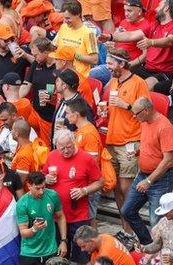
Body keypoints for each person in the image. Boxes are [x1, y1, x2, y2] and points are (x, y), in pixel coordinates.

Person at [104, 50, 151, 234]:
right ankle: (126, 230)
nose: (107, 67)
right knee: (115, 186)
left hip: (130, 140)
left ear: (121, 64)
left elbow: (147, 112)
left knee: (126, 187)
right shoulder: (114, 81)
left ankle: (134, 228)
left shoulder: (139, 83)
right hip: (112, 139)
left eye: (110, 63)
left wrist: (127, 106)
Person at [43, 129, 103, 265]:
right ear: (56, 145)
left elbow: (100, 182)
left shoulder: (86, 158)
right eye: (61, 148)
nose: (65, 151)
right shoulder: (52, 156)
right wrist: (46, 178)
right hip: (57, 215)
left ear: (73, 142)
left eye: (68, 147)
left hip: (78, 216)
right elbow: (42, 176)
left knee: (82, 255)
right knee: (58, 256)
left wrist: (84, 190)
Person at [17, 171, 68, 265]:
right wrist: (34, 229)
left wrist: (63, 240)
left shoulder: (52, 195)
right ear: (29, 186)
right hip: (30, 253)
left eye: (43, 188)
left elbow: (60, 216)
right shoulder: (22, 204)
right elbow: (23, 232)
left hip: (50, 251)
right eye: (38, 188)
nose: (41, 191)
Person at [122, 97, 173, 244]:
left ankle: (159, 255)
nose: (134, 116)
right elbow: (150, 146)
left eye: (136, 113)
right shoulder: (145, 122)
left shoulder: (164, 126)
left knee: (155, 220)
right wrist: (137, 151)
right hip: (143, 175)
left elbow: (168, 159)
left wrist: (149, 180)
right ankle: (149, 244)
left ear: (146, 110)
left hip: (159, 179)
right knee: (127, 210)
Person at [105, 0, 173, 94]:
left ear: (166, 8)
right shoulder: (154, 24)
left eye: (159, 6)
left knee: (143, 87)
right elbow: (130, 35)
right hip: (146, 68)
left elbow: (169, 40)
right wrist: (110, 37)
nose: (156, 9)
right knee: (118, 81)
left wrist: (151, 42)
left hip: (163, 72)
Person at [72, 225, 140, 265]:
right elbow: (92, 264)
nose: (82, 250)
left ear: (92, 241)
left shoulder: (106, 253)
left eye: (83, 246)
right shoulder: (102, 237)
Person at [141, 192, 173, 265]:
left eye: (168, 212)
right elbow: (157, 245)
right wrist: (144, 248)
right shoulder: (163, 222)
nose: (165, 215)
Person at [52, 1, 99, 77]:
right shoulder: (63, 27)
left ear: (78, 14)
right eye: (64, 18)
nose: (65, 21)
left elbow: (94, 60)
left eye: (68, 18)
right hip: (62, 75)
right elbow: (55, 47)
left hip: (79, 77)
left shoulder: (89, 33)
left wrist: (74, 55)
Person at [20, 37, 57, 125]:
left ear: (46, 52)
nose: (34, 58)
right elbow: (26, 84)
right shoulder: (36, 64)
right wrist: (16, 98)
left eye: (36, 55)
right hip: (35, 114)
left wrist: (51, 98)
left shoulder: (59, 67)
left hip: (51, 117)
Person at [51, 69, 94, 144]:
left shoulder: (81, 106)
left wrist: (68, 133)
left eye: (58, 81)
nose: (55, 83)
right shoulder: (64, 100)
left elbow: (89, 133)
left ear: (64, 86)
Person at [113, 0, 150, 67]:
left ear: (139, 12)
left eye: (129, 11)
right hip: (114, 59)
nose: (126, 14)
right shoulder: (124, 21)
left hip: (128, 65)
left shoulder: (145, 26)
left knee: (93, 73)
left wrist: (127, 66)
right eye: (125, 10)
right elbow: (116, 43)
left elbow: (145, 56)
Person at [11, 120, 45, 185]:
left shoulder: (24, 155)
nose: (11, 131)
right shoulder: (28, 146)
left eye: (12, 129)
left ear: (17, 134)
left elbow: (20, 183)